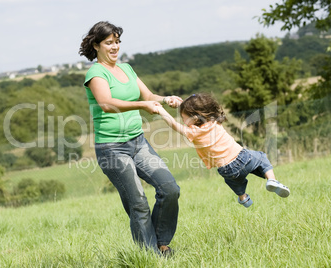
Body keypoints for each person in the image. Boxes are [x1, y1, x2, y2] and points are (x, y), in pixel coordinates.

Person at [79, 21, 182, 255]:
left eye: (117, 42)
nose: (115, 47)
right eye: (109, 43)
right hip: (112, 148)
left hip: (137, 142)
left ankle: (160, 243)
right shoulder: (96, 73)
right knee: (138, 203)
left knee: (170, 188)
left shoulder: (126, 69)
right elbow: (106, 103)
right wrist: (143, 104)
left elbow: (148, 96)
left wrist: (166, 99)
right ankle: (151, 256)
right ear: (96, 46)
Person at [156, 93, 290, 208]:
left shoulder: (193, 132)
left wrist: (162, 111)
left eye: (184, 118)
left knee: (234, 182)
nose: (183, 121)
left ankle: (244, 198)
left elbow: (174, 125)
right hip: (241, 157)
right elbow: (202, 108)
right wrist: (185, 105)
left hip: (225, 169)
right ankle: (271, 179)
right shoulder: (214, 121)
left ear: (195, 119)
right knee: (261, 158)